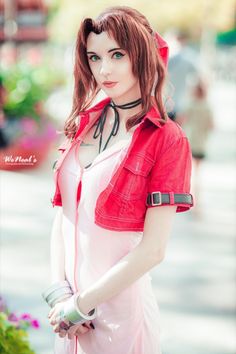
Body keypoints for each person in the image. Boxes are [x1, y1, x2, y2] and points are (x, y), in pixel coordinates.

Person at [43, 6, 193, 354]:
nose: (103, 69)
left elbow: (153, 250)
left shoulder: (167, 139)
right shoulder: (83, 125)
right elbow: (63, 215)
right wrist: (60, 294)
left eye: (117, 55)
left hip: (119, 321)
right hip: (67, 319)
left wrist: (82, 304)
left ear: (141, 54)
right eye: (94, 57)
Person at [176, 80, 214, 214]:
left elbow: (180, 121)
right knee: (198, 172)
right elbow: (212, 125)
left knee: (188, 170)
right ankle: (197, 196)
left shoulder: (190, 104)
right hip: (201, 142)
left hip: (190, 140)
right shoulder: (207, 106)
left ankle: (189, 195)